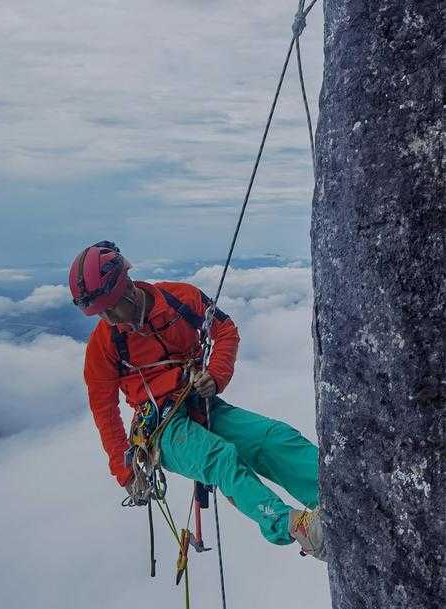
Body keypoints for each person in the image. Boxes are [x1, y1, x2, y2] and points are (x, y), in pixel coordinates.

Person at [69, 240, 326, 560]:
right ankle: (294, 526)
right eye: (99, 311)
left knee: (273, 438)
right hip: (159, 428)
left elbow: (225, 330)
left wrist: (216, 376)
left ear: (127, 286)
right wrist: (125, 471)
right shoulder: (104, 344)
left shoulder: (181, 299)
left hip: (199, 403)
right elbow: (103, 408)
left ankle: (334, 492)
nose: (107, 317)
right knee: (221, 458)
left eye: (110, 306)